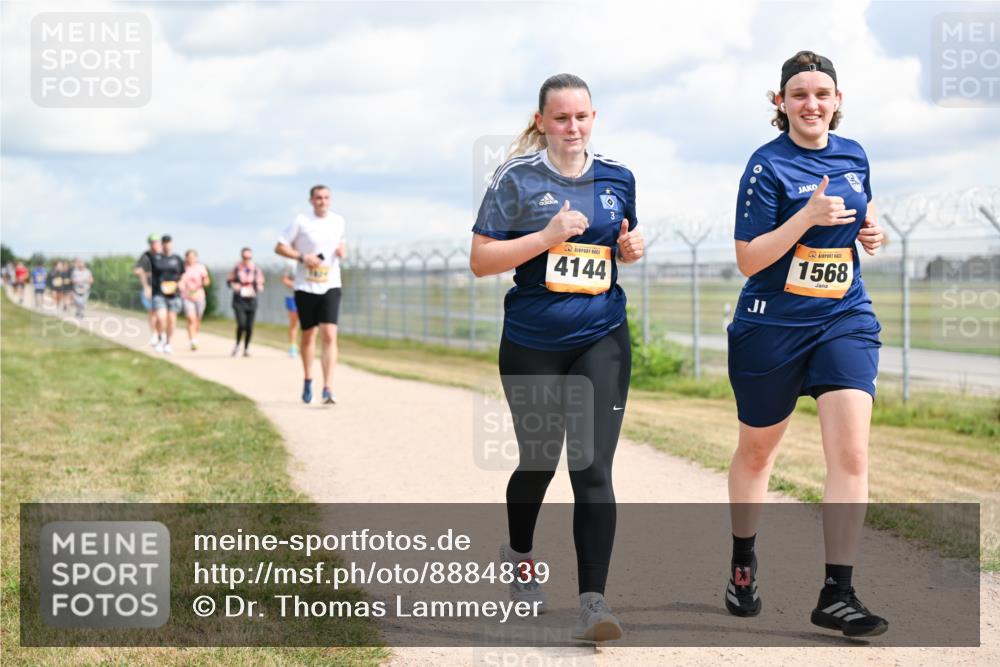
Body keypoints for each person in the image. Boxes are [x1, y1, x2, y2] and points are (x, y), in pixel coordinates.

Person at [469, 73, 644, 642]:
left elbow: (620, 244)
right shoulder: (516, 179)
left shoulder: (618, 177)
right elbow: (481, 260)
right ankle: (518, 554)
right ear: (542, 121)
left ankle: (593, 602)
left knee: (591, 466)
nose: (573, 127)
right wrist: (544, 237)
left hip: (602, 335)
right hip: (532, 342)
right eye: (561, 117)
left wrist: (629, 250)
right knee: (539, 462)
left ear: (595, 117)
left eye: (582, 116)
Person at [724, 51, 888, 638]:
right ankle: (744, 560)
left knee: (851, 455)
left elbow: (855, 223)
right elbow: (748, 258)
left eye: (822, 93)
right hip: (772, 328)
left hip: (843, 317)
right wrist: (806, 218)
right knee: (758, 454)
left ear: (838, 100)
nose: (811, 103)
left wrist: (868, 232)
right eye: (798, 94)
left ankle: (837, 593)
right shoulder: (765, 166)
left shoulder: (854, 155)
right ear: (780, 103)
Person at [275, 186, 347, 404]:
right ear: (311, 200)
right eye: (318, 198)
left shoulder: (338, 221)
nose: (322, 201)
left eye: (326, 198)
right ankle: (308, 379)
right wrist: (302, 257)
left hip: (330, 283)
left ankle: (328, 387)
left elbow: (341, 241)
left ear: (330, 200)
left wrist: (342, 250)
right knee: (309, 335)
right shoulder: (301, 221)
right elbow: (279, 246)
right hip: (305, 286)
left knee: (329, 334)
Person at [150, 234, 185, 354]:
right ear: (162, 244)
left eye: (169, 242)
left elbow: (183, 274)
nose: (167, 245)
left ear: (172, 244)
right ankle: (161, 339)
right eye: (164, 243)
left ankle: (168, 343)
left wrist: (181, 282)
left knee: (172, 319)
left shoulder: (177, 259)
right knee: (161, 318)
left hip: (174, 294)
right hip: (159, 293)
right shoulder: (156, 259)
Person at [227, 247, 264, 357]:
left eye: (249, 257)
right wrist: (234, 286)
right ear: (241, 257)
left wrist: (259, 287)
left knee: (249, 326)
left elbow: (261, 282)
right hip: (239, 299)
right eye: (245, 257)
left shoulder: (256, 269)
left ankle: (246, 348)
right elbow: (229, 281)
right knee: (241, 324)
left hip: (251, 299)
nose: (247, 259)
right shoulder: (236, 268)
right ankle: (238, 344)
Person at [134, 234, 164, 346]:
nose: (154, 244)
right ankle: (155, 334)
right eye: (152, 242)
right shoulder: (145, 256)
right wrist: (146, 284)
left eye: (156, 242)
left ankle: (161, 333)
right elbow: (137, 270)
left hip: (162, 288)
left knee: (162, 313)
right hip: (149, 288)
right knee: (152, 313)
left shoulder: (163, 255)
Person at [179, 249, 211, 350]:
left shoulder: (201, 267)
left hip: (199, 296)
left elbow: (206, 280)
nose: (191, 259)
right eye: (189, 257)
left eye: (193, 257)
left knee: (198, 319)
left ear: (196, 258)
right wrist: (181, 286)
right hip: (186, 296)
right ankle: (192, 340)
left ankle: (195, 336)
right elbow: (179, 280)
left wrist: (205, 282)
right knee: (191, 319)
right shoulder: (182, 268)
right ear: (186, 258)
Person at [280, 259, 300, 358]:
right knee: (294, 322)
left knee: (309, 324)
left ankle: (307, 345)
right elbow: (284, 279)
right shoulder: (290, 263)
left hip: (309, 296)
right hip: (293, 296)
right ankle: (293, 346)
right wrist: (297, 285)